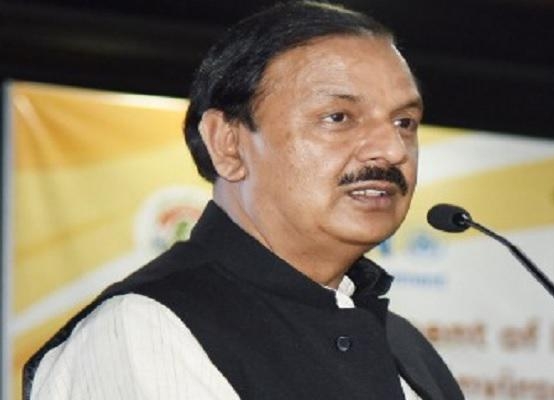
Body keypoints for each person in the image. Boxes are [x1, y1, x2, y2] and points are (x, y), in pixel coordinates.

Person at [24, 1, 464, 399]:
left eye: (405, 122)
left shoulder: (406, 349)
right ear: (228, 145)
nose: (392, 150)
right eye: (338, 117)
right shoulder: (145, 330)